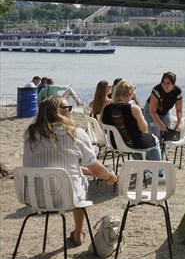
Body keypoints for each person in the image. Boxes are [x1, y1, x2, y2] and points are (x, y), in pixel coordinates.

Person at [23, 96, 118, 246]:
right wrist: (109, 176)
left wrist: (94, 173)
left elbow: (64, 167)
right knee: (81, 183)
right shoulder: (75, 133)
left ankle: (78, 233)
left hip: (33, 197)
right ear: (60, 112)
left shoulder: (29, 133)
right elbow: (94, 166)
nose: (71, 112)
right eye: (69, 109)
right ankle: (78, 233)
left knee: (75, 175)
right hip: (67, 199)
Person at [101, 80, 162, 164]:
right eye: (132, 94)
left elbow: (103, 124)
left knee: (135, 138)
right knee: (154, 140)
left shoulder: (106, 109)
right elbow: (143, 129)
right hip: (131, 143)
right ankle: (159, 172)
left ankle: (143, 170)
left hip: (114, 143)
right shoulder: (133, 109)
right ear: (128, 94)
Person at [143, 72, 183, 141]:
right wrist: (160, 124)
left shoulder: (177, 91)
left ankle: (162, 151)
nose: (165, 85)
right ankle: (154, 150)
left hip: (165, 112)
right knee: (155, 137)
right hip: (151, 111)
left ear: (173, 84)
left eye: (168, 83)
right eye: (163, 82)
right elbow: (152, 111)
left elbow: (179, 109)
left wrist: (179, 123)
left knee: (167, 134)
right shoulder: (157, 90)